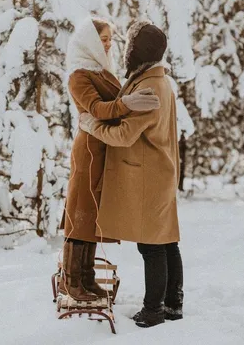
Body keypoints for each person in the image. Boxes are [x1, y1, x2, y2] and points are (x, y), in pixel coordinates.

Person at [79, 21, 184, 327]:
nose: (125, 51)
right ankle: (173, 304)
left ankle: (153, 311)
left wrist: (91, 124)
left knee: (151, 245)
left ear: (140, 51)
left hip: (147, 176)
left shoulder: (149, 86)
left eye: (130, 45)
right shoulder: (158, 82)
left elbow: (125, 134)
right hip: (159, 172)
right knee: (167, 241)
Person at [59, 17, 161, 301]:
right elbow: (97, 108)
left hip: (105, 149)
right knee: (79, 213)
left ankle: (87, 277)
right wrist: (126, 104)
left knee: (92, 215)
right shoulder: (79, 75)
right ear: (89, 42)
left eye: (109, 40)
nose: (107, 45)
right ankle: (71, 281)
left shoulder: (101, 70)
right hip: (91, 149)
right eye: (102, 39)